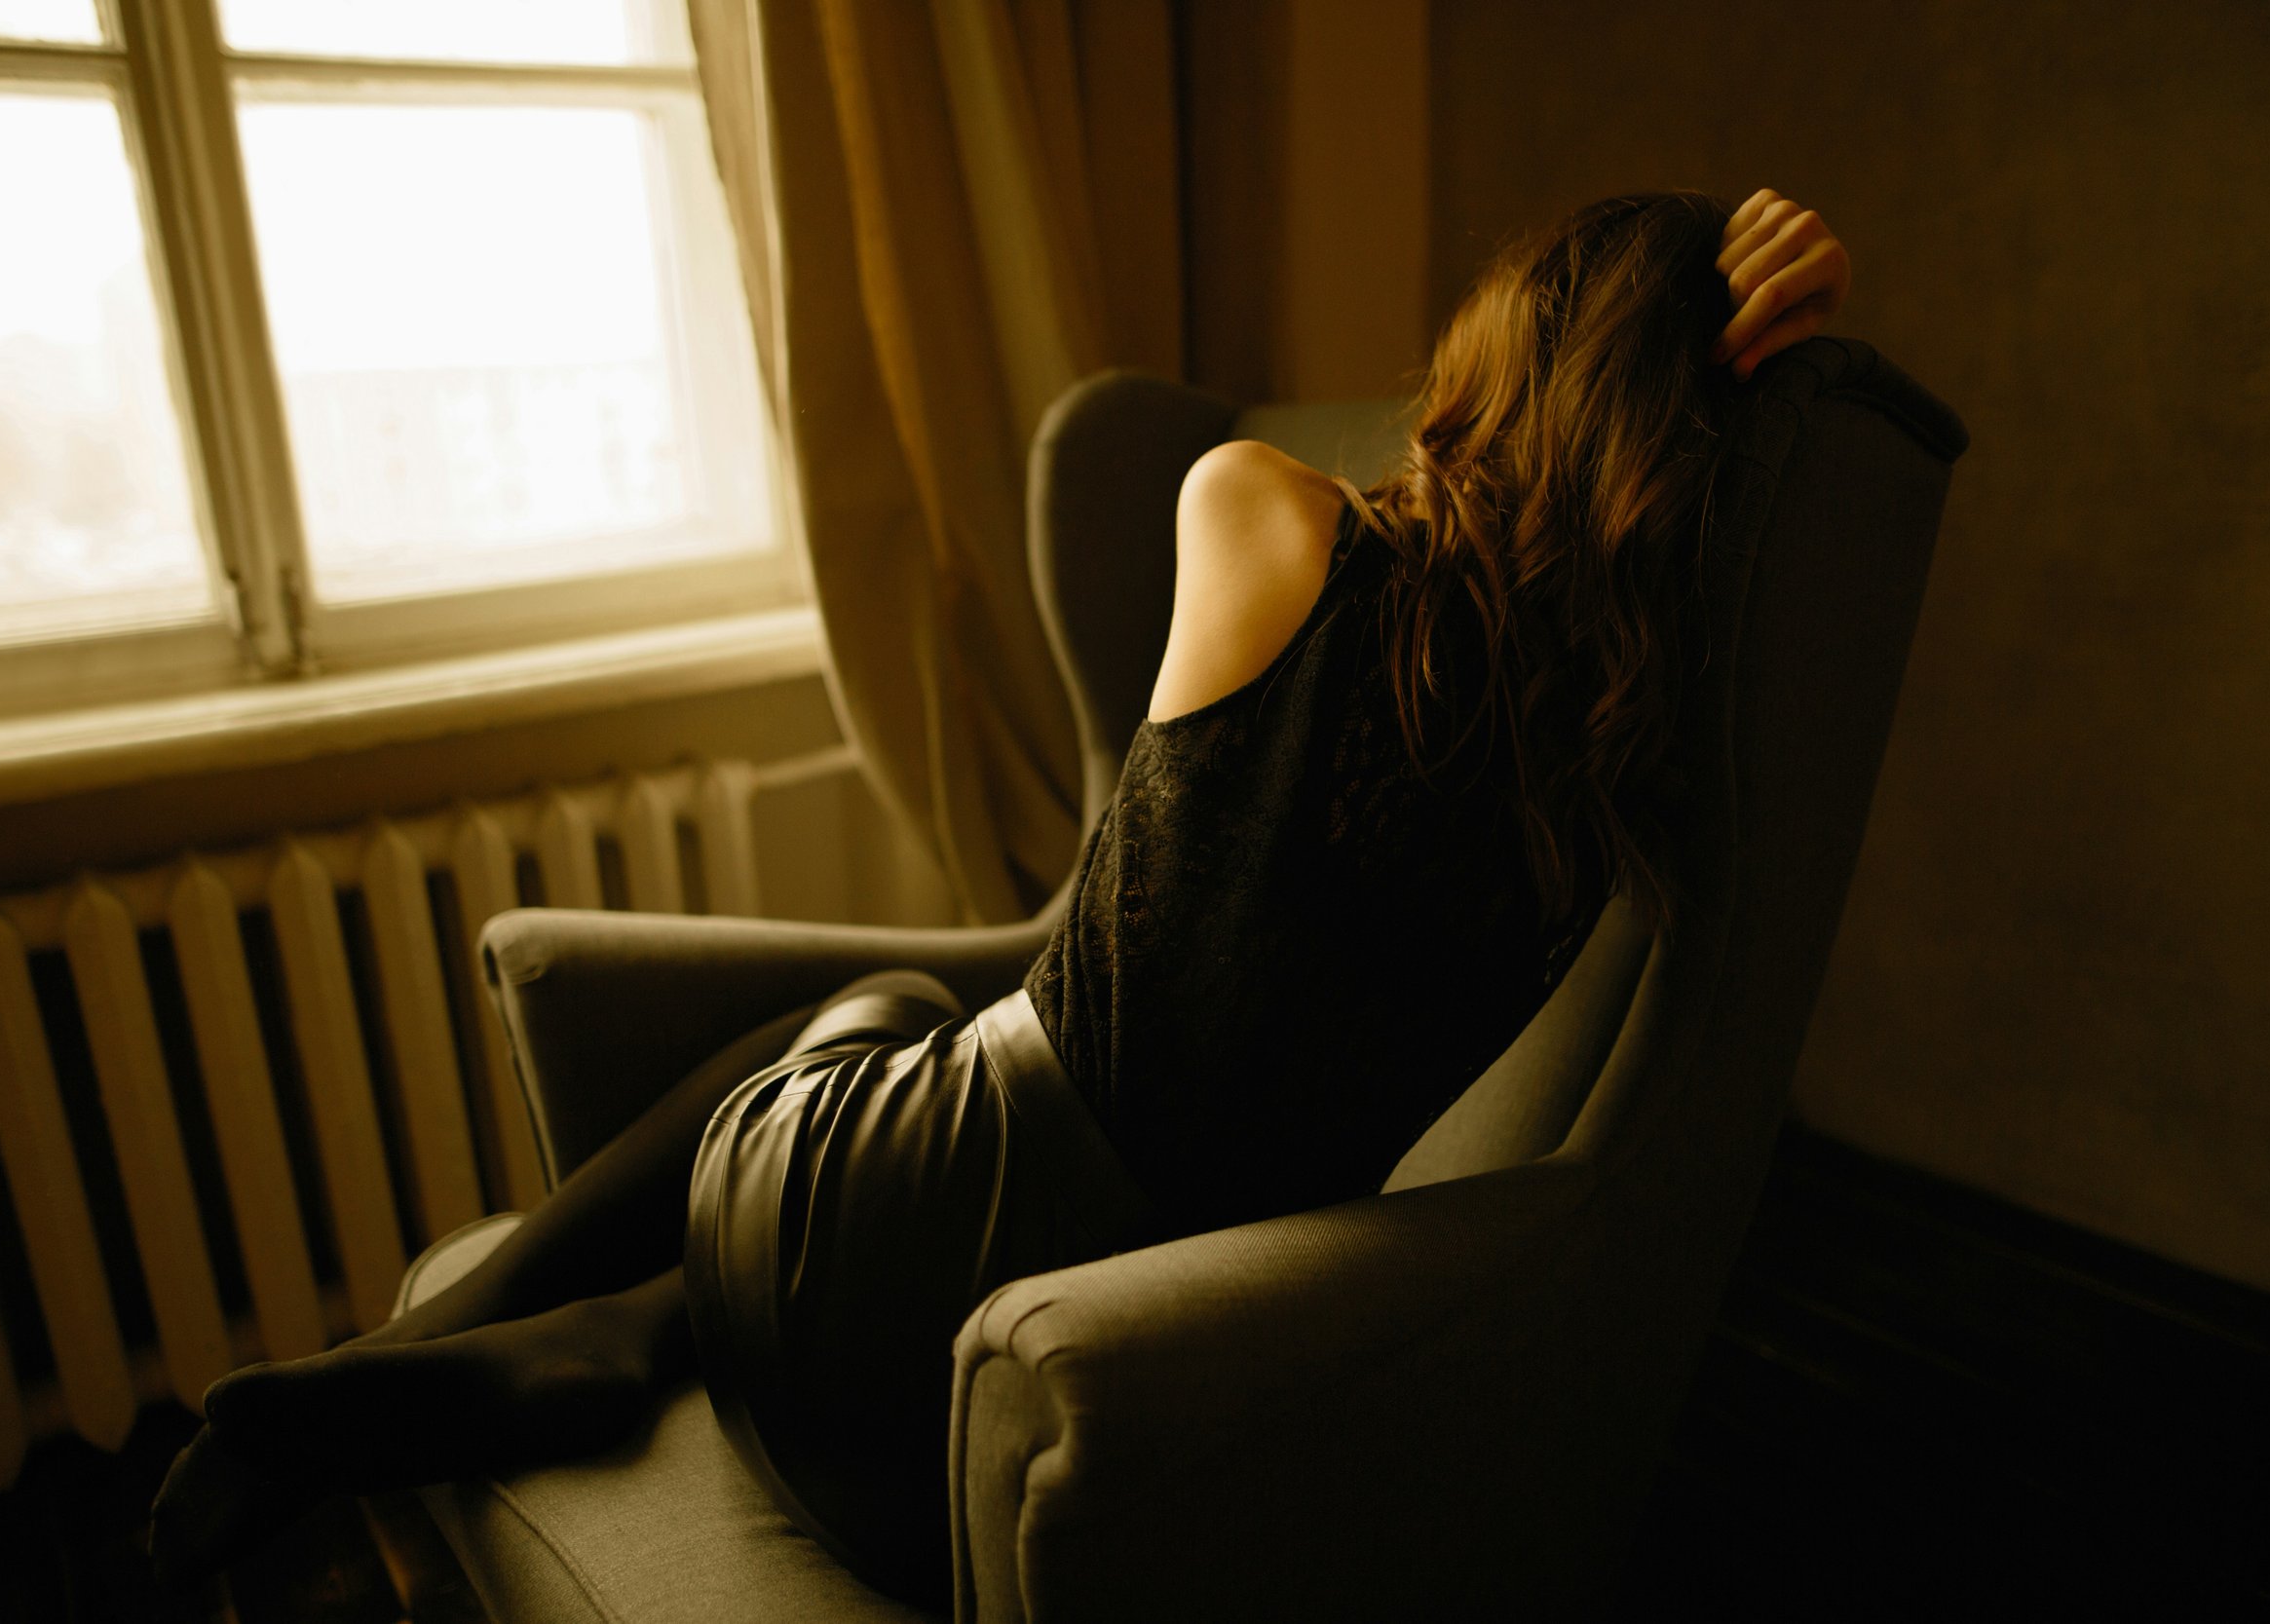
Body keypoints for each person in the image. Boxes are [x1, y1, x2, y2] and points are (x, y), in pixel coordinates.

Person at [150, 187, 1850, 1604]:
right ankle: (636, 1330)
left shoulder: (1262, 512)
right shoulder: (1614, 815)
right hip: (995, 1432)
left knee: (880, 1017)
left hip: (860, 1248)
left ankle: (494, 1332)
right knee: (917, 1054)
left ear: (1501, 371)